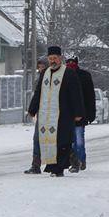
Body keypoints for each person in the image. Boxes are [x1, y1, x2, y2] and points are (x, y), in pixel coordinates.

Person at [27, 47, 85, 176]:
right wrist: (32, 109)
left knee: (62, 142)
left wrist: (78, 113)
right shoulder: (45, 73)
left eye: (55, 58)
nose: (52, 61)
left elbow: (76, 94)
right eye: (50, 58)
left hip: (63, 114)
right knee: (49, 141)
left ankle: (58, 169)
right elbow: (38, 93)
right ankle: (53, 167)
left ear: (60, 58)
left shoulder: (69, 73)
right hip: (46, 116)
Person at [65, 56, 96, 172]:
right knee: (70, 141)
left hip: (81, 114)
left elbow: (90, 97)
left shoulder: (84, 76)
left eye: (72, 62)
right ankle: (74, 162)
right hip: (66, 114)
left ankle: (81, 160)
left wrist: (90, 114)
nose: (70, 64)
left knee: (79, 140)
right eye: (68, 62)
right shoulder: (62, 75)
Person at [24, 56, 50, 174]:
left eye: (43, 66)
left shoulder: (52, 77)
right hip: (42, 112)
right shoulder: (39, 78)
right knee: (37, 138)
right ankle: (36, 164)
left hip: (54, 112)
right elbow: (37, 96)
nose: (40, 69)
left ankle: (54, 163)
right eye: (39, 66)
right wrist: (32, 110)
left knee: (54, 138)